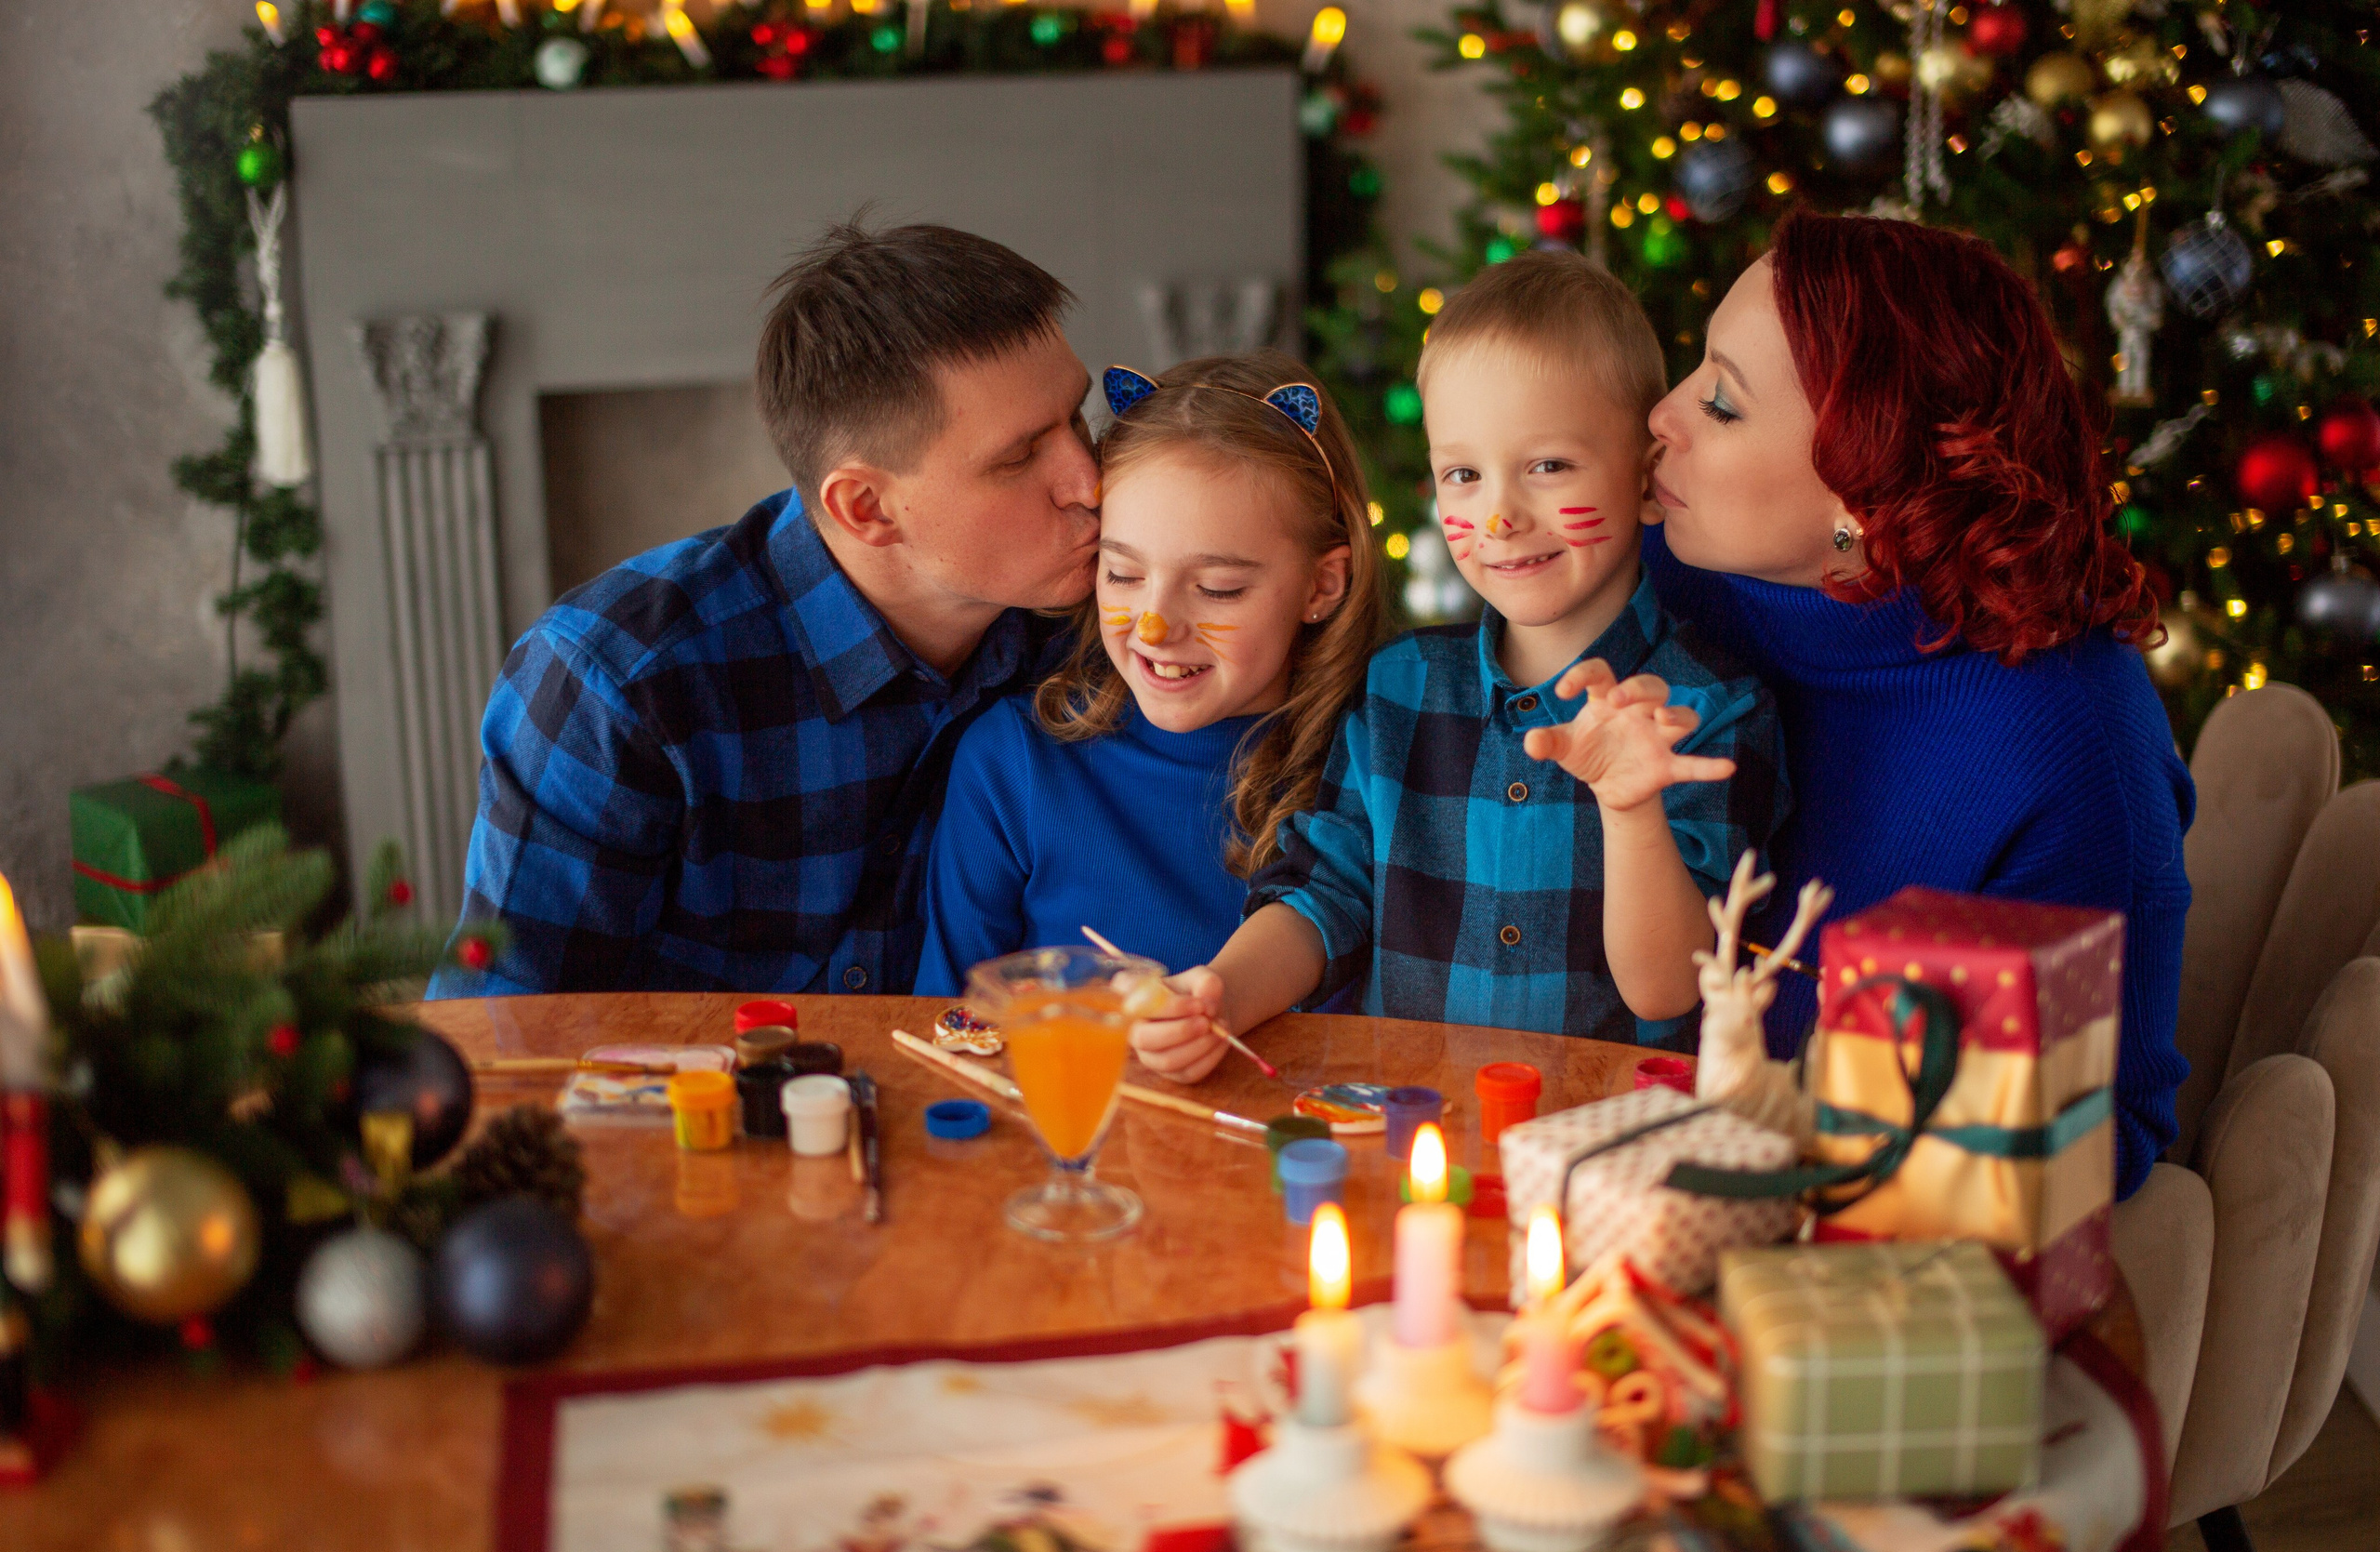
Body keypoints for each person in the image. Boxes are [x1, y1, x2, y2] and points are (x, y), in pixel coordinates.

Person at [1637, 208, 2191, 1199]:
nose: (1659, 416)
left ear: (1861, 492)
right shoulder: (1669, 585)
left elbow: (2101, 1134)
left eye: (1720, 403)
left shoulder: (2066, 747)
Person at [1130, 251, 1787, 1077]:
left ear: (1647, 479)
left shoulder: (1712, 707)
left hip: (1603, 1152)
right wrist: (1221, 991)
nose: (1500, 516)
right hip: (1410, 1133)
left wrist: (1631, 813)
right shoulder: (1398, 687)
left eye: (1548, 466)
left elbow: (1671, 991)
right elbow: (1322, 895)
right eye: (1463, 474)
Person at [427, 221, 1101, 998]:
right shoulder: (617, 685)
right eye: (1020, 457)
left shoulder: (1111, 617)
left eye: (1078, 418)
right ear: (866, 508)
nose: (1089, 481)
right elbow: (513, 1043)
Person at [913, 352, 1389, 994]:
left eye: (1218, 588)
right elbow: (950, 1029)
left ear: (1322, 585)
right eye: (1124, 575)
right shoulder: (1013, 764)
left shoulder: (1378, 766)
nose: (1154, 624)